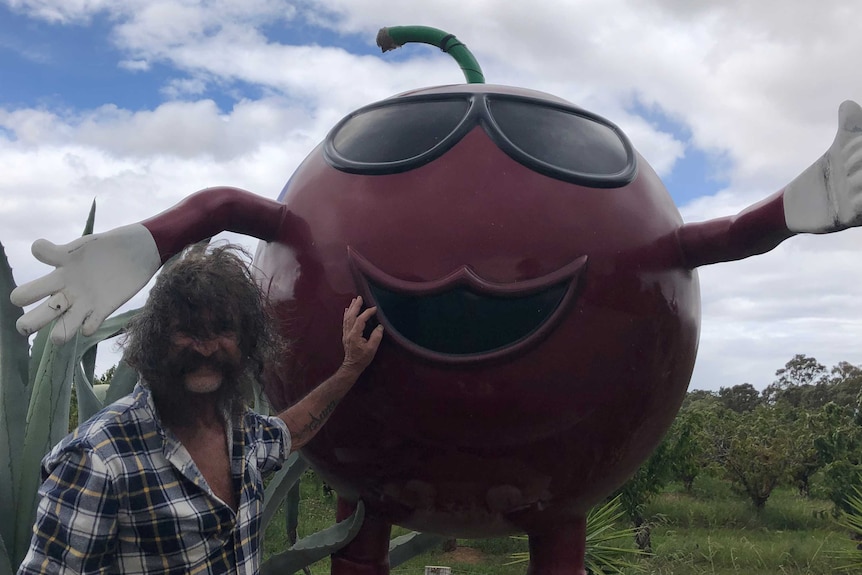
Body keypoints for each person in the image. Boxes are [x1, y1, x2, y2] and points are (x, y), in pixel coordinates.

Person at [17, 243, 384, 575]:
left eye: (223, 329)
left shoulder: (240, 433)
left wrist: (351, 366)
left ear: (248, 340)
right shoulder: (96, 459)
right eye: (187, 330)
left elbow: (290, 431)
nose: (206, 347)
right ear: (156, 339)